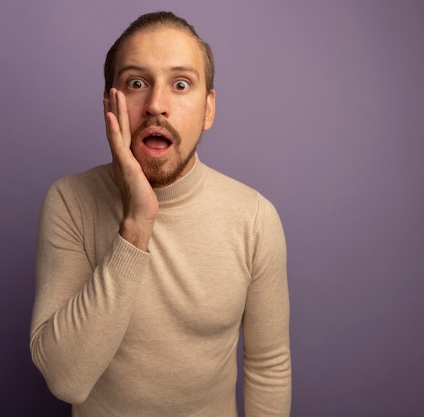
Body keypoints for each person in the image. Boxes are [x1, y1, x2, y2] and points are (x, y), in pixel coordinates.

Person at [30, 11, 291, 417]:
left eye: (181, 84)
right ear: (109, 106)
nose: (156, 105)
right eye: (136, 83)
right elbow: (66, 381)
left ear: (208, 109)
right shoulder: (70, 202)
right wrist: (136, 226)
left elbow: (268, 365)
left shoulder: (254, 219)